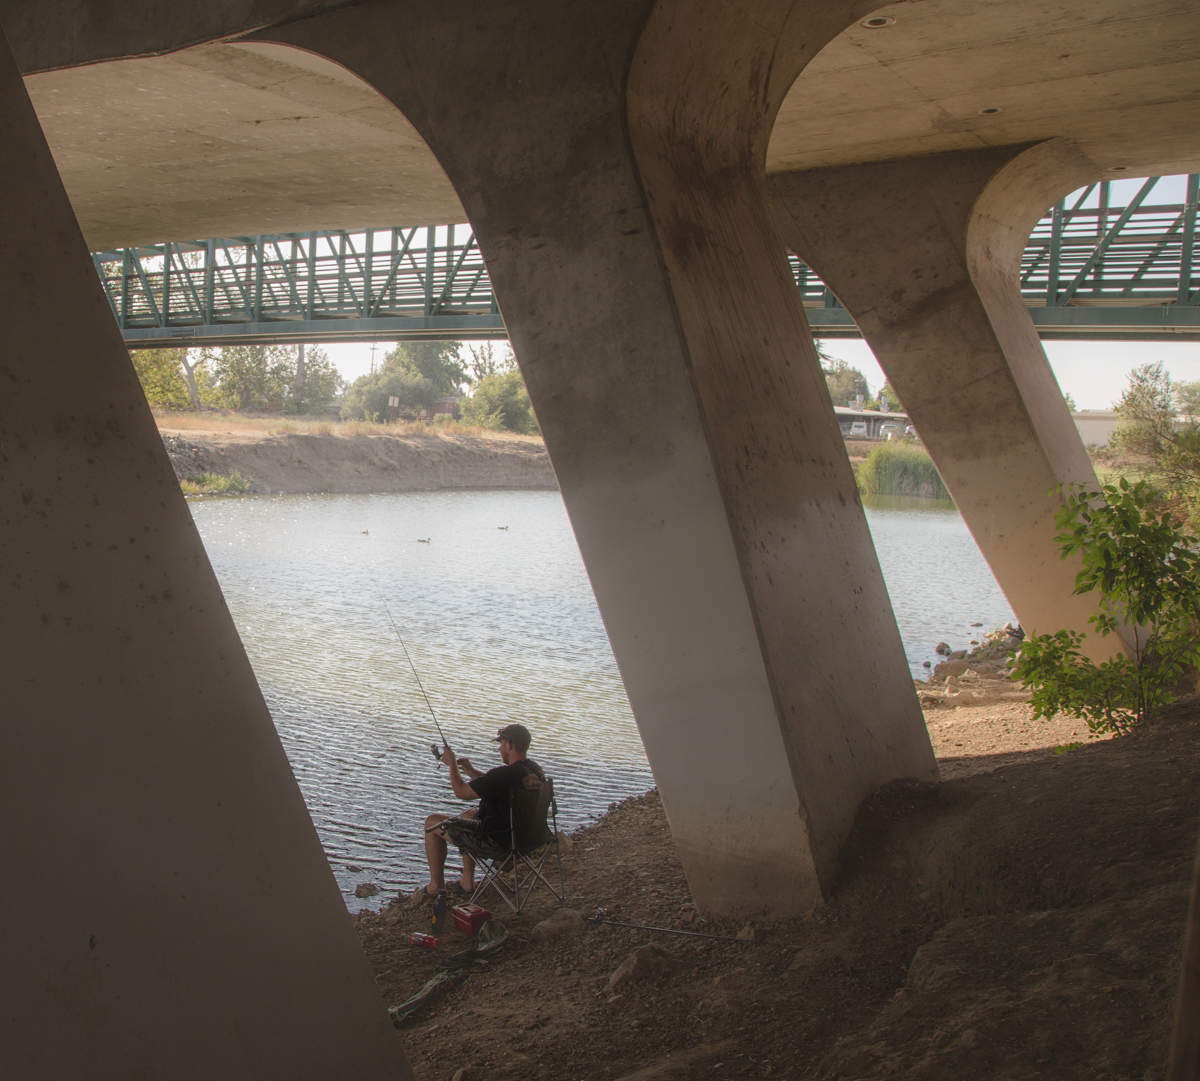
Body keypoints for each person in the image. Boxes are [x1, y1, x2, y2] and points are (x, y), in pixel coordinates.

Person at [419, 722, 545, 898]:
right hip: (530, 839)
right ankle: (467, 882)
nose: (500, 749)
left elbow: (461, 791)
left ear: (509, 745)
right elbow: (493, 785)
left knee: (432, 822)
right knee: (469, 814)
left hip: (498, 844)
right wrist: (470, 771)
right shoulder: (534, 770)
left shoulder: (503, 774)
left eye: (501, 744)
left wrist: (452, 764)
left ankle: (435, 886)